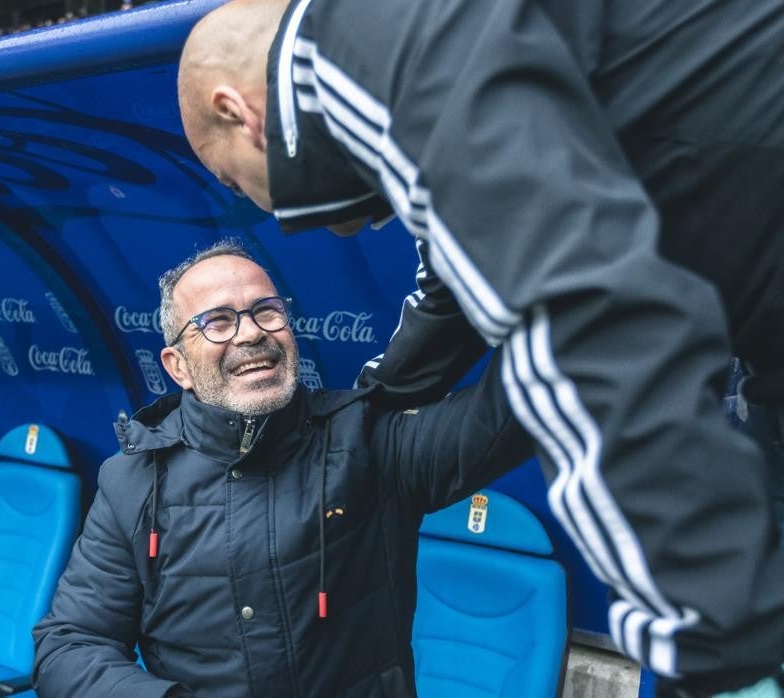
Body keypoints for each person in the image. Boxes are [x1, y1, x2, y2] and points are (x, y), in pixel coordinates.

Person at [175, 1, 784, 696]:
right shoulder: (424, 53)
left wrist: (710, 648)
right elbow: (460, 282)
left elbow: (587, 324)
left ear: (239, 112)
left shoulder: (364, 49)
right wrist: (375, 399)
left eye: (237, 185)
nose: (269, 213)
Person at [32, 240, 534, 696]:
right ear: (177, 365)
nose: (251, 333)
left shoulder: (369, 441)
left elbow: (527, 401)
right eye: (218, 322)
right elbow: (69, 645)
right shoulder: (133, 482)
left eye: (267, 311)